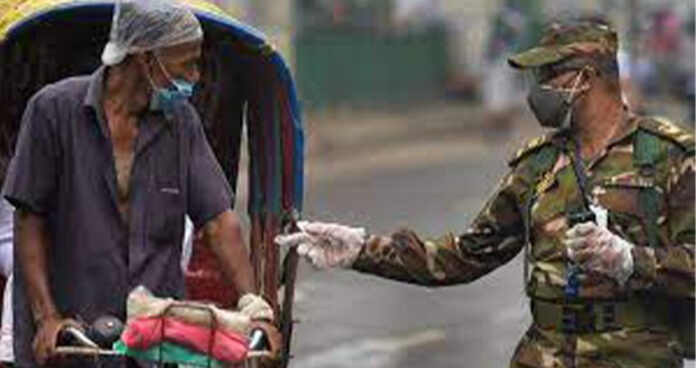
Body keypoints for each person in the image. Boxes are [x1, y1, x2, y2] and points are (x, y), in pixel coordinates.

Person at [277, 21, 695, 367]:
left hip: (635, 357)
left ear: (584, 78)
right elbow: (466, 255)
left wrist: (629, 259)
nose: (537, 88)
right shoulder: (537, 166)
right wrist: (361, 250)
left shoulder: (667, 157)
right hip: (544, 357)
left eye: (547, 75)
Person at [3, 1, 274, 367]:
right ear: (146, 60)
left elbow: (218, 221)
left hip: (153, 343)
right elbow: (28, 219)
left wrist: (254, 306)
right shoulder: (53, 112)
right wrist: (46, 317)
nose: (195, 77)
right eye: (186, 64)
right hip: (73, 340)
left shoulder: (181, 124)